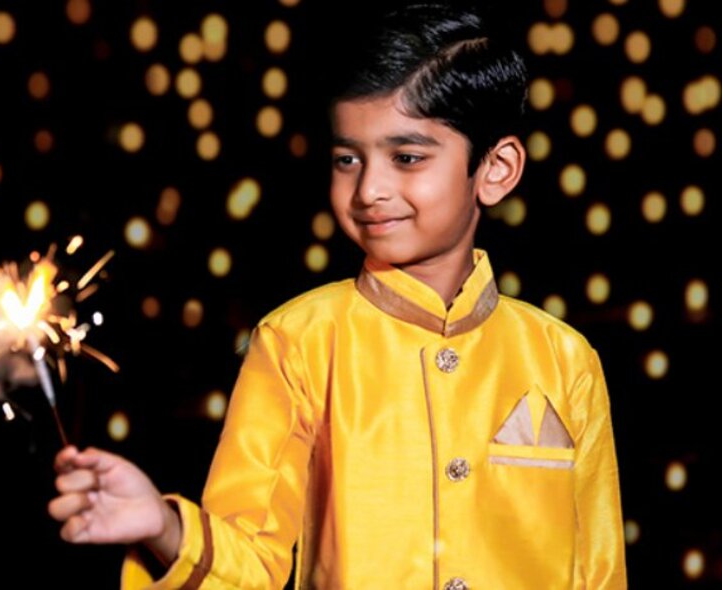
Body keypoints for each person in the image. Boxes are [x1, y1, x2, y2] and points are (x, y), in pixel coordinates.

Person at [48, 2, 627, 588]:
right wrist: (164, 530)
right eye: (348, 159)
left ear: (496, 169)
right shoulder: (298, 342)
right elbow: (251, 559)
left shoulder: (564, 359)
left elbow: (600, 573)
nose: (370, 189)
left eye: (407, 158)